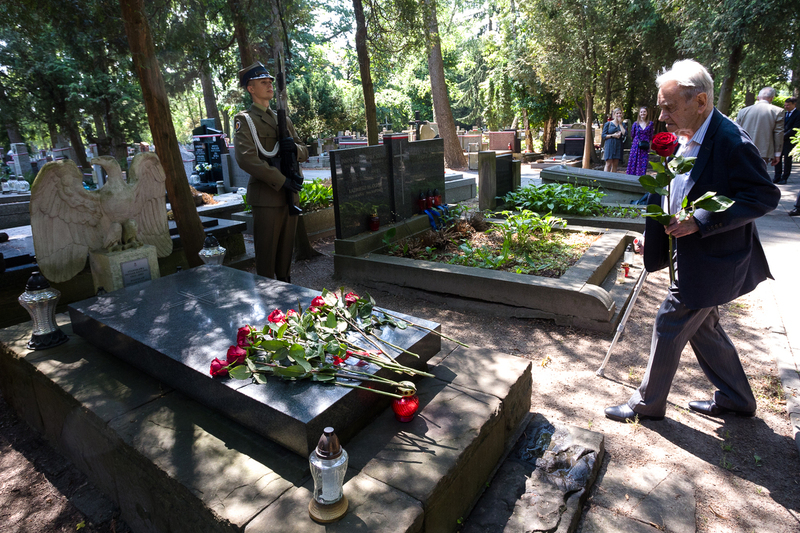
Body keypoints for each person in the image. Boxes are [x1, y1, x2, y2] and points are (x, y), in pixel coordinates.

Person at [604, 59, 780, 423]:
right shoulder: (689, 134)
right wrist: (653, 232)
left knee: (671, 320)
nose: (662, 117)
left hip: (714, 259)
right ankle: (737, 398)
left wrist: (700, 221)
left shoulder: (731, 141)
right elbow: (674, 189)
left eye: (669, 107)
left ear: (700, 102)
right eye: (660, 107)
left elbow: (764, 196)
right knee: (705, 329)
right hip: (691, 255)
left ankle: (647, 403)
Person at [233, 62, 308, 282]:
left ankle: (286, 306)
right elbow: (246, 159)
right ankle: (268, 306)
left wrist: (294, 148)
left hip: (289, 195)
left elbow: (304, 150)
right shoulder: (244, 120)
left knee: (285, 260)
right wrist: (281, 180)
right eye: (263, 82)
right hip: (267, 197)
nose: (269, 86)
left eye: (270, 82)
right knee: (266, 262)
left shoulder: (282, 118)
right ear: (250, 88)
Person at [735, 87, 783, 170]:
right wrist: (777, 154)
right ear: (772, 98)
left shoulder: (743, 111)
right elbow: (778, 133)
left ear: (758, 97)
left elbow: (736, 131)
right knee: (760, 174)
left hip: (744, 148)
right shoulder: (777, 111)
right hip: (764, 150)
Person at [626, 106, 654, 176]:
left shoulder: (650, 124)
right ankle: (631, 177)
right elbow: (632, 134)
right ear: (639, 113)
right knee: (633, 161)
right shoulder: (635, 124)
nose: (643, 113)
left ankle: (641, 177)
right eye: (641, 112)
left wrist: (650, 146)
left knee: (643, 162)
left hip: (645, 145)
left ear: (647, 113)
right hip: (636, 145)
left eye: (644, 112)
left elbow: (651, 136)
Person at [776, 97, 798, 185]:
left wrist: (783, 136)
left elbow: (795, 128)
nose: (786, 107)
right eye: (785, 105)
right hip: (780, 140)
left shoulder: (798, 114)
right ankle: (777, 176)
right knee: (777, 158)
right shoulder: (783, 114)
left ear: (794, 104)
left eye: (788, 105)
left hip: (789, 140)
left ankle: (784, 177)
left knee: (787, 160)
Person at [602, 108, 625, 172]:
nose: (619, 114)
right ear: (614, 114)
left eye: (620, 113)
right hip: (609, 145)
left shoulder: (622, 124)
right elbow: (603, 135)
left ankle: (612, 179)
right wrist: (613, 135)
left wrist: (620, 124)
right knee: (608, 163)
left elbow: (624, 134)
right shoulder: (608, 124)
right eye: (617, 113)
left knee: (615, 164)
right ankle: (605, 179)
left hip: (618, 145)